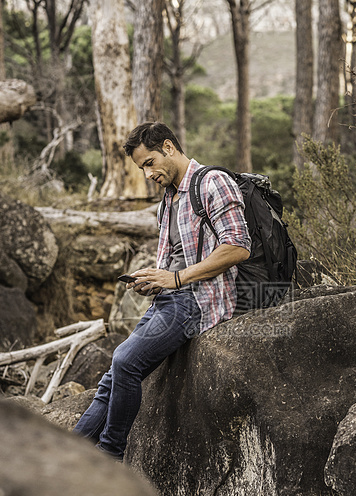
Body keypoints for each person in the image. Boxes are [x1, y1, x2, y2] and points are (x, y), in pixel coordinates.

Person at [74, 121, 251, 461]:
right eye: (142, 168)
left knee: (125, 362)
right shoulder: (168, 199)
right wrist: (154, 280)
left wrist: (177, 278)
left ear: (169, 148)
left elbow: (238, 247)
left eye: (149, 163)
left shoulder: (213, 183)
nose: (148, 173)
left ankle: (109, 458)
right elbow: (173, 260)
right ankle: (64, 456)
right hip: (169, 300)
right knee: (111, 379)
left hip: (197, 301)